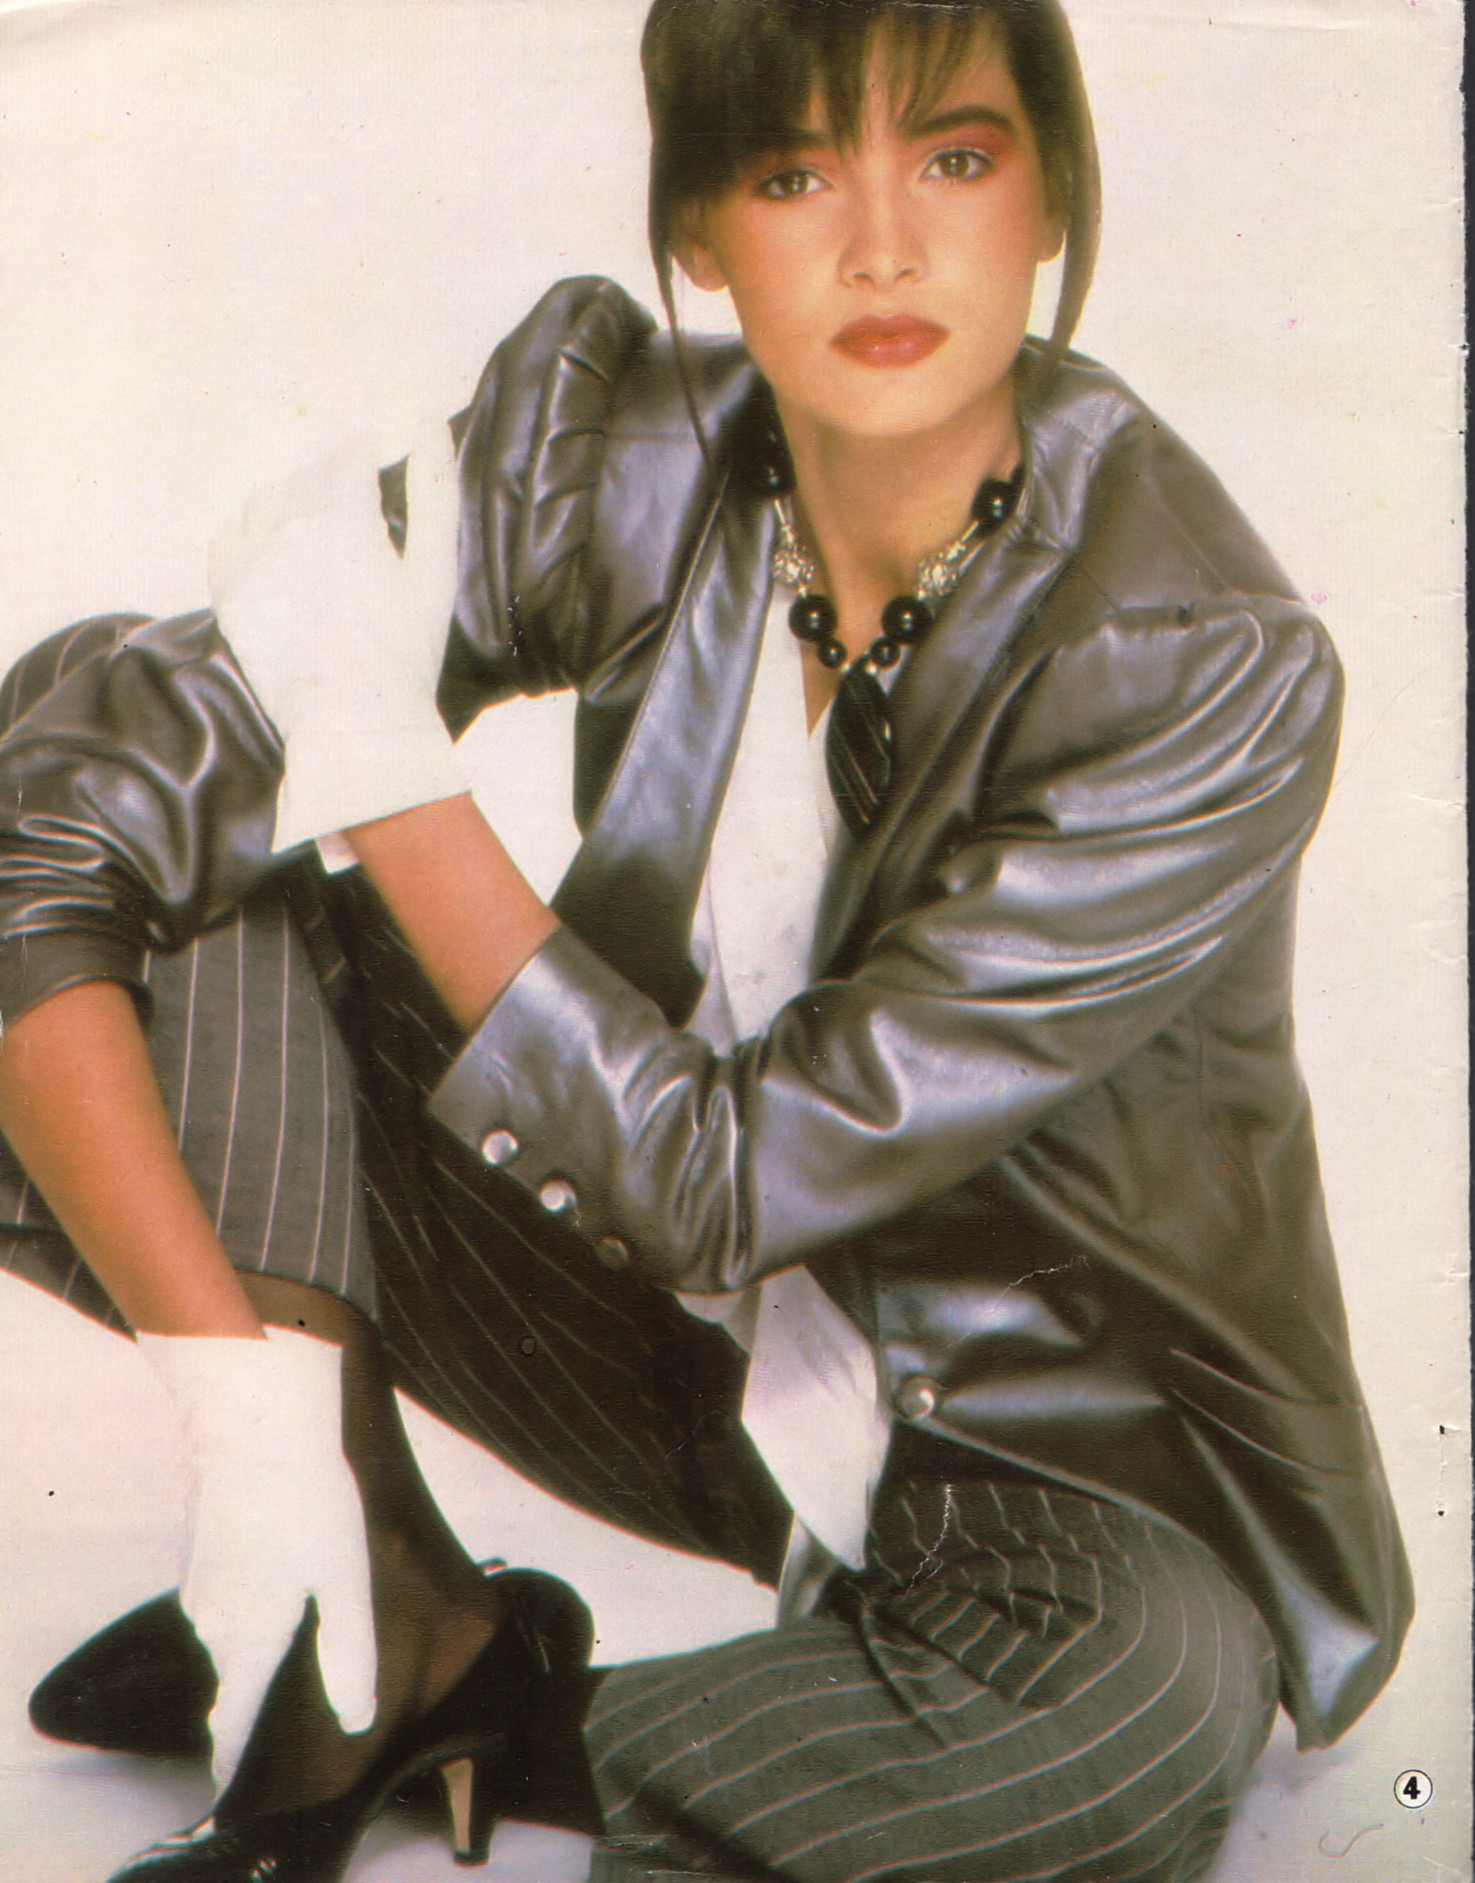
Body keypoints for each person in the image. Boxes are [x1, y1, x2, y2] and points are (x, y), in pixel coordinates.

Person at [0, 1, 1412, 1879]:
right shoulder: (631, 459)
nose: (885, 246)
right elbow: (77, 788)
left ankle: (506, 1708)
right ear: (699, 230)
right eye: (797, 174)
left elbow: (732, 1178)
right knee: (147, 849)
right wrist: (252, 1434)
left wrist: (381, 761)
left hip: (1064, 1477)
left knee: (1118, 1736)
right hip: (692, 1365)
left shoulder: (1195, 664)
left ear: (1055, 197)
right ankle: (374, 1597)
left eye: (958, 158)